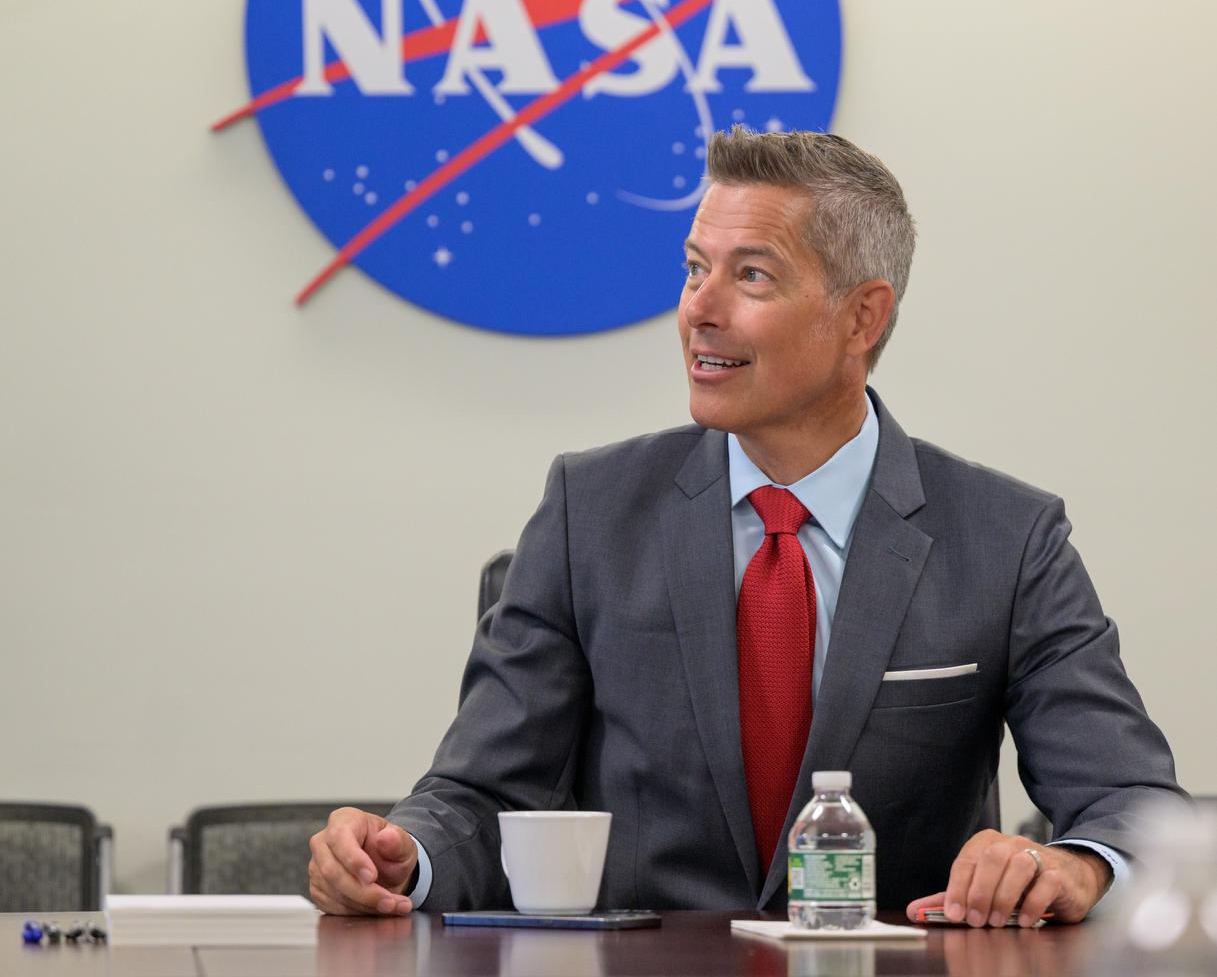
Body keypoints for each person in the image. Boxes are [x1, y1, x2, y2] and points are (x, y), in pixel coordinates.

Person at [308, 128, 1183, 927]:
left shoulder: (1007, 538)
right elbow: (480, 794)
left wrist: (1073, 865)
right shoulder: (589, 512)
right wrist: (403, 856)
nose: (699, 308)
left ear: (861, 317)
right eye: (696, 268)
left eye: (750, 275)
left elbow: (1131, 802)